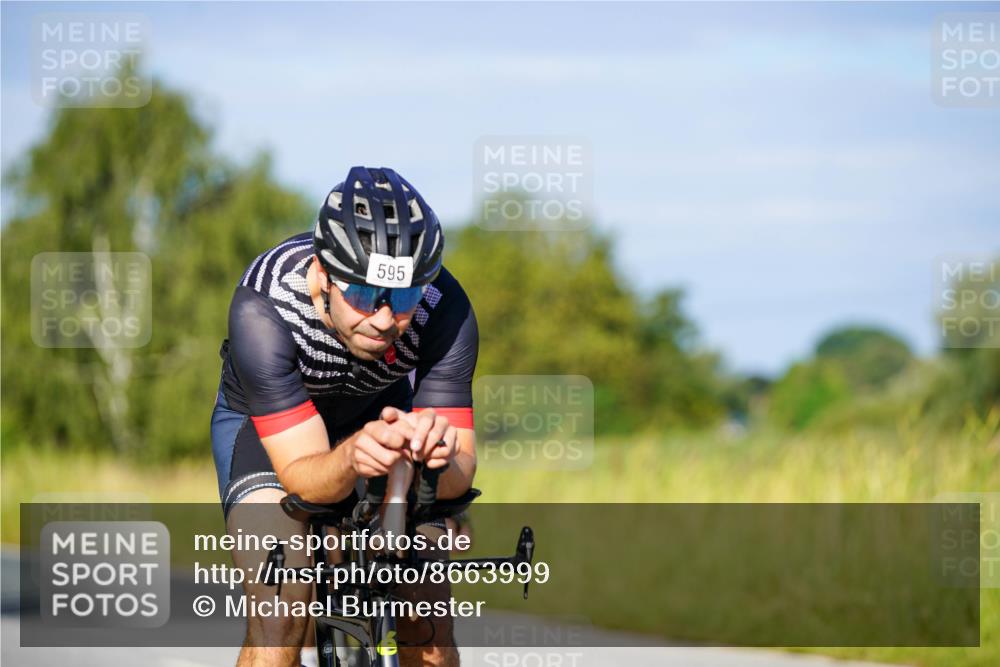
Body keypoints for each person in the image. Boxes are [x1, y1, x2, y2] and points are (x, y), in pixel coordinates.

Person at [210, 166, 478, 667]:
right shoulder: (265, 306)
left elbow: (461, 472)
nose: (383, 317)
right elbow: (303, 479)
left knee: (428, 619)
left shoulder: (446, 309)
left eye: (402, 297)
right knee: (280, 613)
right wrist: (354, 455)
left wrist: (438, 461)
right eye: (362, 294)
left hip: (378, 414)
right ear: (322, 274)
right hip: (267, 432)